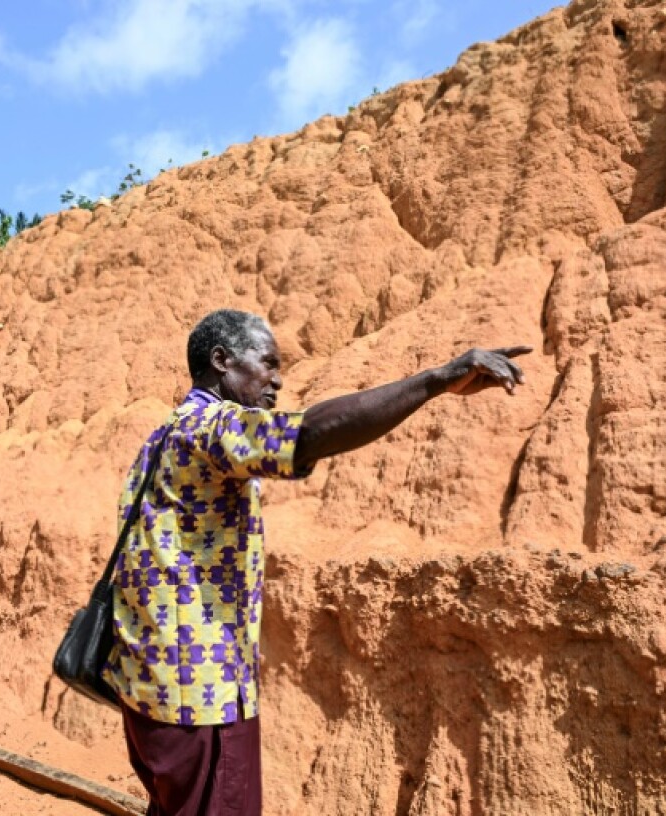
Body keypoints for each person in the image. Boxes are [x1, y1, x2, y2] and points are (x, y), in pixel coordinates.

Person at [102, 309, 530, 815]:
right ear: (221, 361)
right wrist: (434, 381)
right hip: (199, 698)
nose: (278, 379)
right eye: (267, 363)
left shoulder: (167, 433)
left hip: (154, 690)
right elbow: (309, 432)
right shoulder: (212, 427)